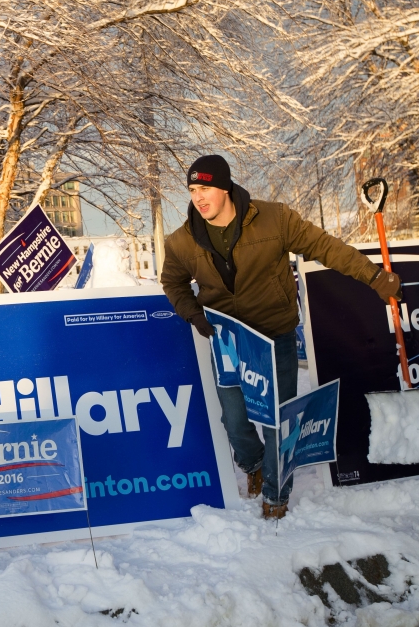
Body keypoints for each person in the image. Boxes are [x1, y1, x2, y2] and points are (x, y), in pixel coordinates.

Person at [160, 154, 401, 519]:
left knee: (278, 420)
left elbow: (326, 247)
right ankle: (253, 462)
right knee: (235, 421)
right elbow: (172, 282)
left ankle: (276, 494)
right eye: (193, 189)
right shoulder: (182, 241)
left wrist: (373, 276)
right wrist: (195, 315)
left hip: (275, 335)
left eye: (205, 187)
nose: (199, 197)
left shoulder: (274, 218)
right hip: (227, 339)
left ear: (225, 187)